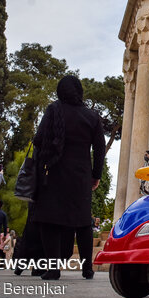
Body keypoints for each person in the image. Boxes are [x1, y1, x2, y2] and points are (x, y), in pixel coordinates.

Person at [31, 75, 106, 280]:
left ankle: (53, 269)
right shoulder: (92, 116)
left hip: (53, 172)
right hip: (81, 176)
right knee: (82, 222)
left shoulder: (54, 110)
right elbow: (99, 148)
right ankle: (87, 268)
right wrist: (96, 175)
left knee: (50, 221)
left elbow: (38, 139)